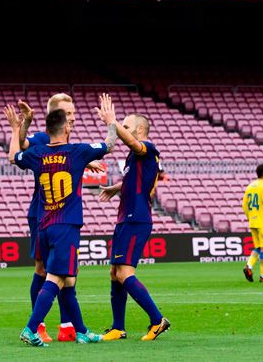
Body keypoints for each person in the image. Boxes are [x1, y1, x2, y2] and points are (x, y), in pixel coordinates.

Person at [10, 105, 114, 347]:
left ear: (46, 130)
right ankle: (30, 328)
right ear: (66, 127)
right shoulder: (78, 151)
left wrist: (16, 130)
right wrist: (111, 121)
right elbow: (109, 145)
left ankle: (81, 331)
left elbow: (14, 156)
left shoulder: (38, 153)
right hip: (66, 225)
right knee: (56, 278)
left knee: (68, 281)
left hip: (44, 224)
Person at [95, 96, 171, 342]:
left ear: (139, 130)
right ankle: (118, 327)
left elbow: (136, 146)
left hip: (136, 218)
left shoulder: (147, 147)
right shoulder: (134, 158)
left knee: (125, 271)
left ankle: (157, 319)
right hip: (125, 218)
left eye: (127, 128)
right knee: (115, 272)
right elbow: (134, 180)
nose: (122, 131)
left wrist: (112, 122)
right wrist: (116, 187)